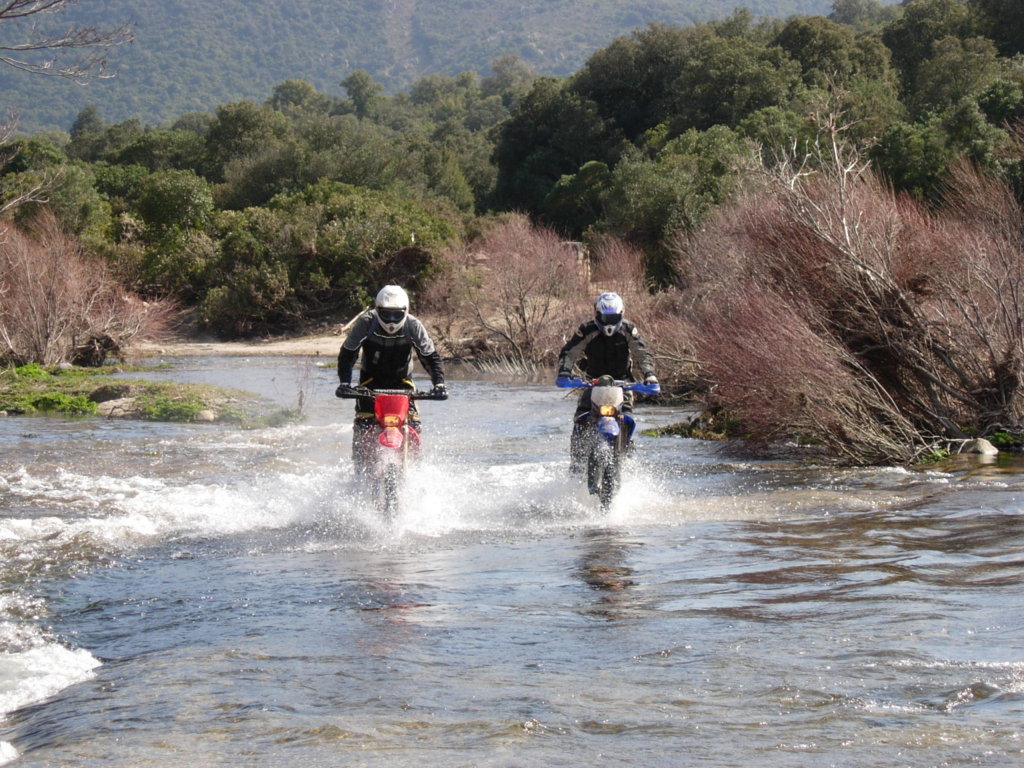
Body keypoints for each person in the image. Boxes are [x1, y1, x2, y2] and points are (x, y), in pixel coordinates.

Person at [337, 285, 446, 467]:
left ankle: (414, 469)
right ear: (378, 310)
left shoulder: (413, 325)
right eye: (387, 314)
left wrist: (440, 384)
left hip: (403, 383)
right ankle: (359, 470)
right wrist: (345, 383)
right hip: (369, 384)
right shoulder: (366, 322)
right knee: (362, 426)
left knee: (415, 427)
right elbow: (348, 353)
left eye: (397, 314)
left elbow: (430, 357)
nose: (392, 320)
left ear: (406, 311)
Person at [556, 291, 657, 472]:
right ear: (596, 314)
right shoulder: (587, 330)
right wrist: (564, 371)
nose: (608, 322)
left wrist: (649, 374)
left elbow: (642, 352)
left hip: (622, 383)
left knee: (627, 416)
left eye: (613, 317)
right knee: (581, 417)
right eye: (604, 317)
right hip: (592, 382)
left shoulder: (628, 329)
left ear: (621, 314)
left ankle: (626, 449)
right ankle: (577, 462)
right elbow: (570, 351)